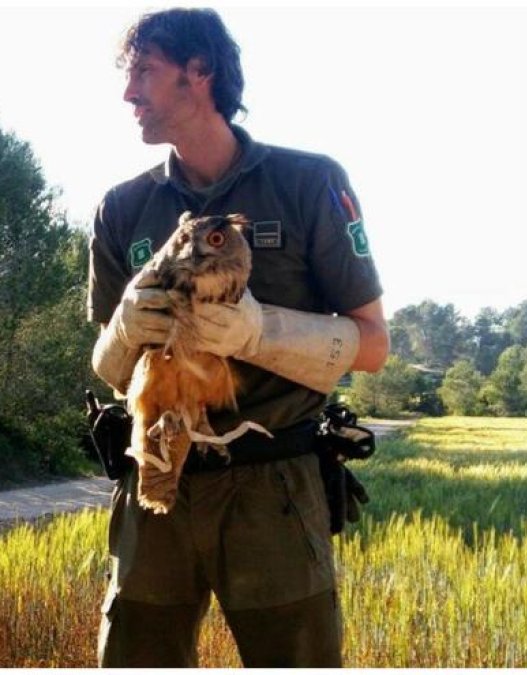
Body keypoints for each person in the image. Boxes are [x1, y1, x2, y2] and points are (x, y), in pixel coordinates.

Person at [87, 7, 389, 667]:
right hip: (156, 475)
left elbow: (372, 344)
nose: (128, 92)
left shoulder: (309, 183)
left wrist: (260, 332)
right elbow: (109, 370)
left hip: (271, 488)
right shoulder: (120, 208)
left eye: (144, 72)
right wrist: (124, 331)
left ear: (200, 73)